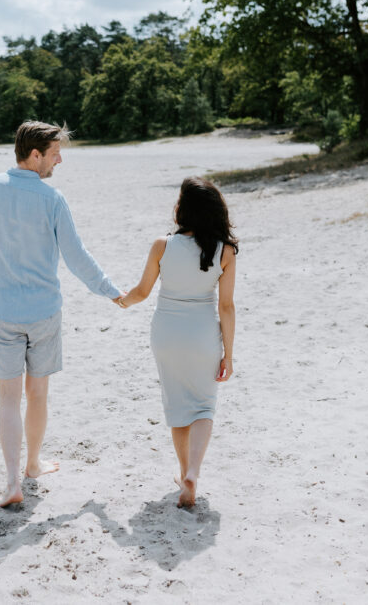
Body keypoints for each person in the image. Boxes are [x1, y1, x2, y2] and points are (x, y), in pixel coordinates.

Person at [0, 120, 123, 507]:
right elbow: (77, 257)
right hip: (44, 314)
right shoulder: (52, 199)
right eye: (54, 154)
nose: (58, 161)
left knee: (9, 398)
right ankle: (32, 465)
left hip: (2, 314)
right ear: (34, 154)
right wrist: (112, 292)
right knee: (38, 393)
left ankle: (13, 481)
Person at [115, 176, 237, 508]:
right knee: (203, 407)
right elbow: (226, 307)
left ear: (183, 208)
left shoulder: (162, 245)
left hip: (166, 333)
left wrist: (121, 301)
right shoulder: (225, 251)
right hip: (202, 335)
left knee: (177, 405)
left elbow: (141, 293)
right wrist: (229, 353)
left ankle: (184, 471)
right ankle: (193, 472)